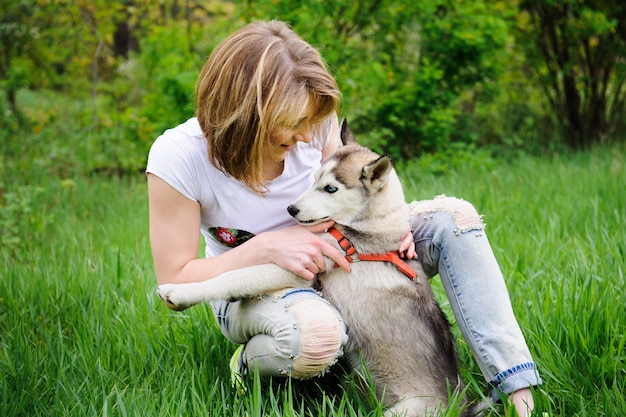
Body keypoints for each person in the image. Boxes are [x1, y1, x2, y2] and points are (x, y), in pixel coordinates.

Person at [146, 20, 542, 416]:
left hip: (333, 249)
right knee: (317, 338)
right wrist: (266, 246)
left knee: (456, 219)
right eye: (293, 123)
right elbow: (175, 279)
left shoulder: (312, 118)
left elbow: (351, 188)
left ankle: (519, 395)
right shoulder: (179, 157)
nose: (307, 135)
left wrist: (398, 224)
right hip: (252, 280)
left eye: (312, 122)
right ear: (246, 112)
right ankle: (254, 368)